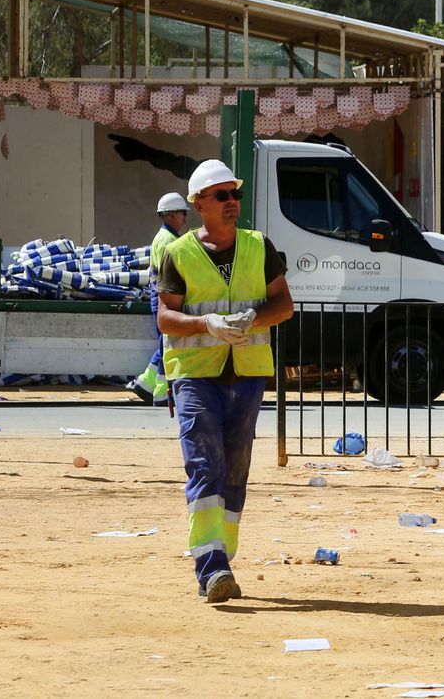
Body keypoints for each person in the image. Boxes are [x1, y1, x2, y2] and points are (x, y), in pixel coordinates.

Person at [156, 158, 293, 603]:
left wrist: (254, 318)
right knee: (204, 465)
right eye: (222, 195)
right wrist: (206, 324)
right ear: (199, 204)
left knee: (234, 472)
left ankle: (223, 553)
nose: (233, 202)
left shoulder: (259, 246)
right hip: (196, 376)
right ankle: (210, 562)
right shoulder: (179, 254)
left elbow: (284, 305)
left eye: (235, 194)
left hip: (248, 375)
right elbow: (165, 317)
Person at [128, 192, 190, 404]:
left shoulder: (165, 237)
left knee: (165, 343)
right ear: (171, 215)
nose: (185, 218)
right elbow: (173, 274)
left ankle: (146, 383)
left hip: (161, 296)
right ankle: (162, 392)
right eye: (183, 213)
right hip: (166, 297)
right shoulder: (168, 240)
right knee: (168, 345)